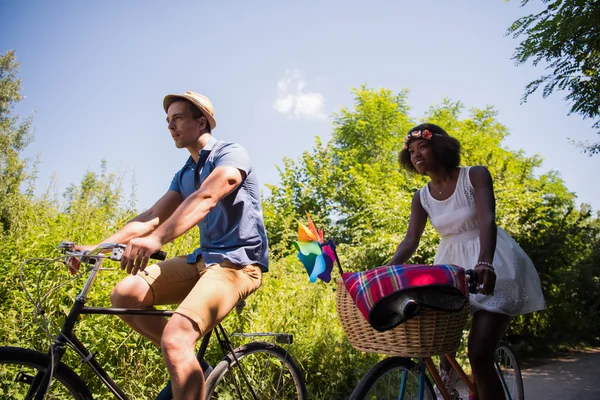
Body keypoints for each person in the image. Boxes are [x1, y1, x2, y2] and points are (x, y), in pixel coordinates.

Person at [71, 91, 269, 399]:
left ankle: (179, 349)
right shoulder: (185, 173)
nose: (170, 126)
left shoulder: (231, 154)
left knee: (176, 339)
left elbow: (206, 198)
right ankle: (190, 365)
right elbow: (151, 215)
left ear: (201, 122)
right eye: (167, 120)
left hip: (237, 265)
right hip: (203, 261)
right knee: (125, 294)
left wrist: (154, 241)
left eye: (177, 118)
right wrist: (94, 247)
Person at [388, 123, 545, 400]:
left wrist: (485, 262)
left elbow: (487, 219)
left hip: (492, 261)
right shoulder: (421, 198)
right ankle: (452, 392)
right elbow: (410, 241)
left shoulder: (474, 176)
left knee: (479, 353)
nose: (417, 154)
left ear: (440, 146)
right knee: (443, 345)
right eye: (411, 151)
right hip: (451, 269)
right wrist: (386, 270)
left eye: (422, 146)